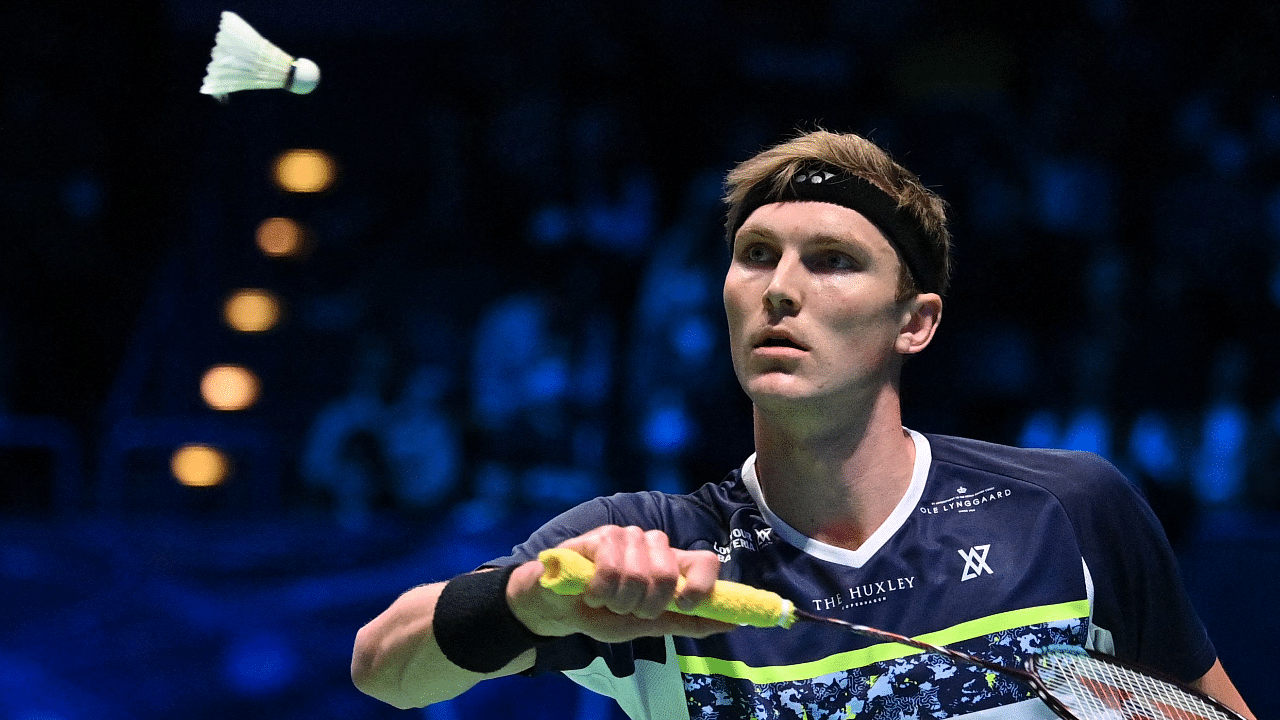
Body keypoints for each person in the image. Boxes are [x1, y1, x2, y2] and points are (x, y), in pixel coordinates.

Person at [351, 129, 1256, 719]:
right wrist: (530, 602)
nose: (780, 288)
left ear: (916, 321)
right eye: (755, 256)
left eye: (831, 261)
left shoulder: (1066, 513)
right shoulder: (654, 553)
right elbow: (383, 667)